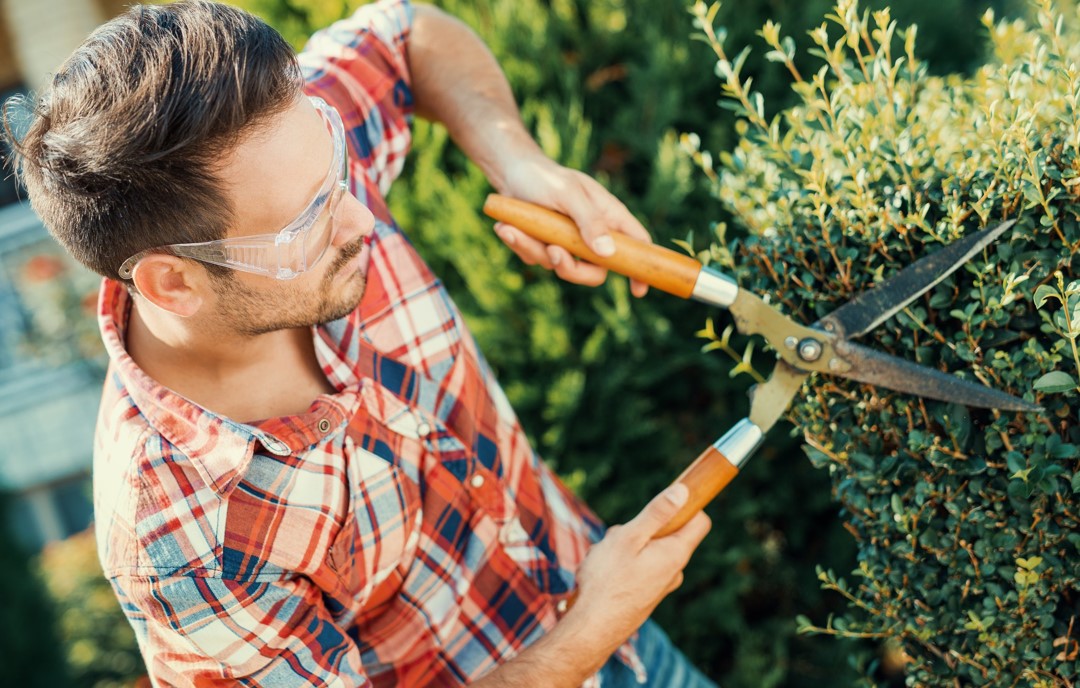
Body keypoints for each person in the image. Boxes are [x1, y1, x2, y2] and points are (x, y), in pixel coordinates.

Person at [2, 1, 714, 685]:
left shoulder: (286, 160)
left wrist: (518, 162)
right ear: (174, 284)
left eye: (337, 159)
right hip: (603, 621)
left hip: (630, 641)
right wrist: (591, 628)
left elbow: (404, 34)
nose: (358, 216)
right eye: (309, 218)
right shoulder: (181, 548)